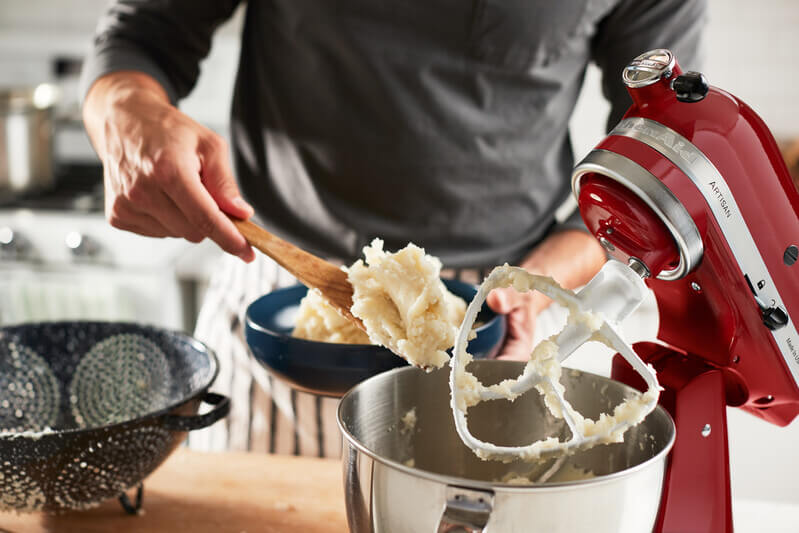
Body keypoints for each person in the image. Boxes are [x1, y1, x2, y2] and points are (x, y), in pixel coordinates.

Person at [81, 0, 706, 455]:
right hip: (284, 308)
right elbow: (142, 36)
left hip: (505, 321)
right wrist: (124, 113)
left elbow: (664, 155)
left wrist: (542, 280)